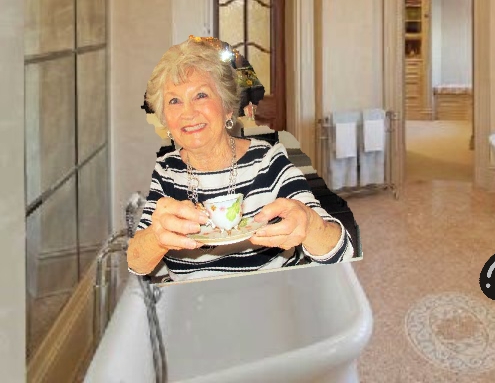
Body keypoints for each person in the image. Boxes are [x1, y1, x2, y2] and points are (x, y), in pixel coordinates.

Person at [127, 37, 353, 280]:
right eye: (174, 101)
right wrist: (156, 238)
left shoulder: (267, 160)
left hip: (268, 293)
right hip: (195, 300)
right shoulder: (166, 170)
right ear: (165, 119)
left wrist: (309, 225)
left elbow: (341, 252)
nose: (188, 113)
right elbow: (136, 263)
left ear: (227, 108)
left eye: (201, 95)